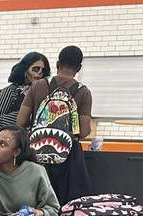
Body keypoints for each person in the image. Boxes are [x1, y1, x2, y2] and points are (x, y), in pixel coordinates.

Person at [17, 45, 92, 205]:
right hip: (68, 159)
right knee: (66, 206)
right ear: (78, 68)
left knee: (36, 203)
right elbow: (84, 132)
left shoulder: (38, 85)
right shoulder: (83, 92)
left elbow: (21, 122)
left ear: (58, 64)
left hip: (37, 155)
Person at [0, 52, 49, 137]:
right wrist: (25, 114)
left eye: (43, 70)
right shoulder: (11, 91)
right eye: (36, 69)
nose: (40, 73)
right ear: (25, 70)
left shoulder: (45, 93)